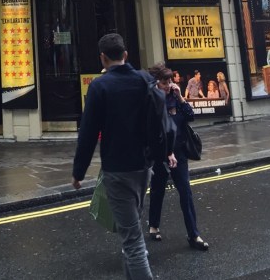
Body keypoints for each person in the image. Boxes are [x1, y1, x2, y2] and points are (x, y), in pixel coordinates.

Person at [72, 33, 166, 280]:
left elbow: (88, 133)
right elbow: (159, 122)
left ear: (103, 58)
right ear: (125, 54)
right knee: (131, 229)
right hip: (143, 166)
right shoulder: (145, 80)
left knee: (132, 240)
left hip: (117, 169)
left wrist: (78, 172)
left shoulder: (100, 86)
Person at [147, 63, 209, 251]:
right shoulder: (152, 102)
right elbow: (154, 131)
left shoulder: (175, 98)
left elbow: (190, 117)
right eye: (164, 82)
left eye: (170, 82)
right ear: (156, 83)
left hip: (179, 153)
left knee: (185, 192)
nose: (168, 85)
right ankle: (153, 226)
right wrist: (165, 152)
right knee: (158, 190)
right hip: (160, 154)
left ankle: (194, 235)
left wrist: (181, 98)